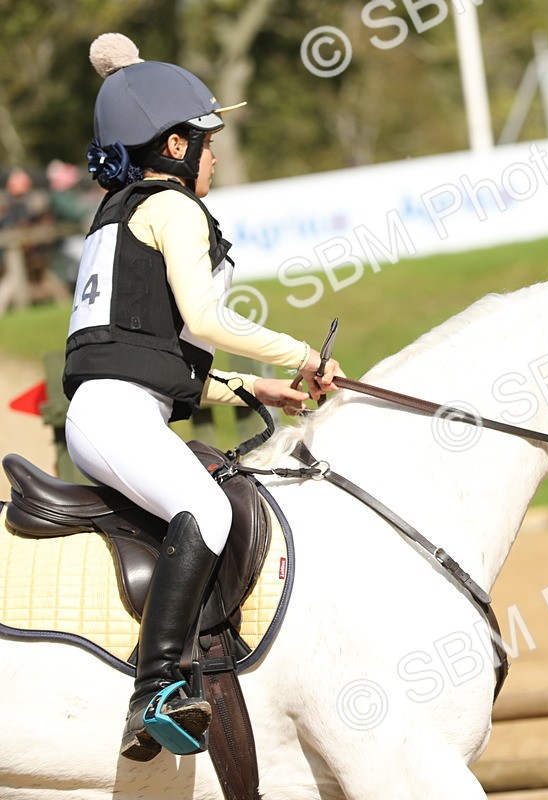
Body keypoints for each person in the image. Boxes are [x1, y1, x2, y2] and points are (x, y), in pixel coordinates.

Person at [63, 32, 345, 762]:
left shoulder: (116, 216)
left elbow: (152, 353)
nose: (216, 154)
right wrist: (307, 354)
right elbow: (206, 322)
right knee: (208, 508)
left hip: (111, 408)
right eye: (207, 139)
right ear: (177, 146)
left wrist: (257, 387)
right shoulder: (175, 210)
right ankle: (153, 689)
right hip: (118, 413)